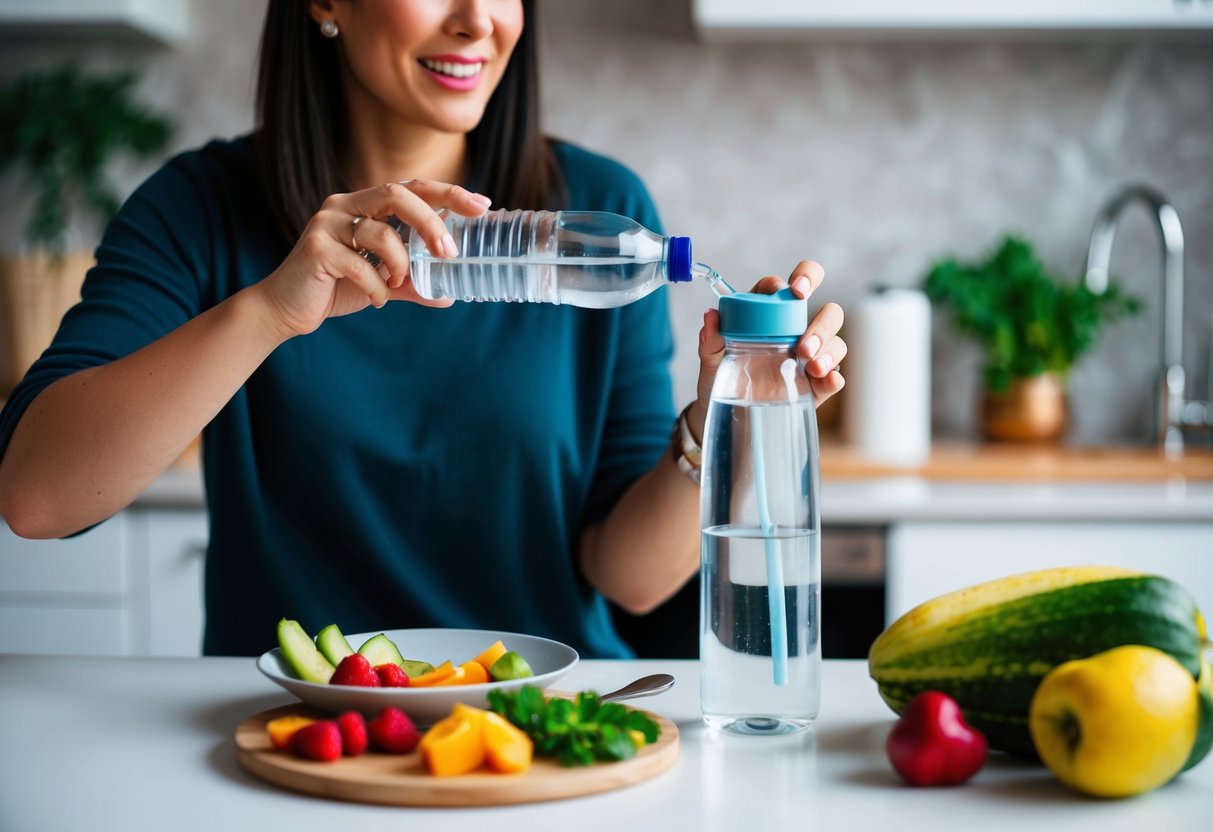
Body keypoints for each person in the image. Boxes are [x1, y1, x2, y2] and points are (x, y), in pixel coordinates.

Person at [0, 0, 846, 658]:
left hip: (537, 734)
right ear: (328, 0)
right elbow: (36, 497)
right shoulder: (201, 211)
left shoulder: (606, 213)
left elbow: (626, 577)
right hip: (306, 740)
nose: (478, 19)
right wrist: (267, 314)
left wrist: (723, 408)